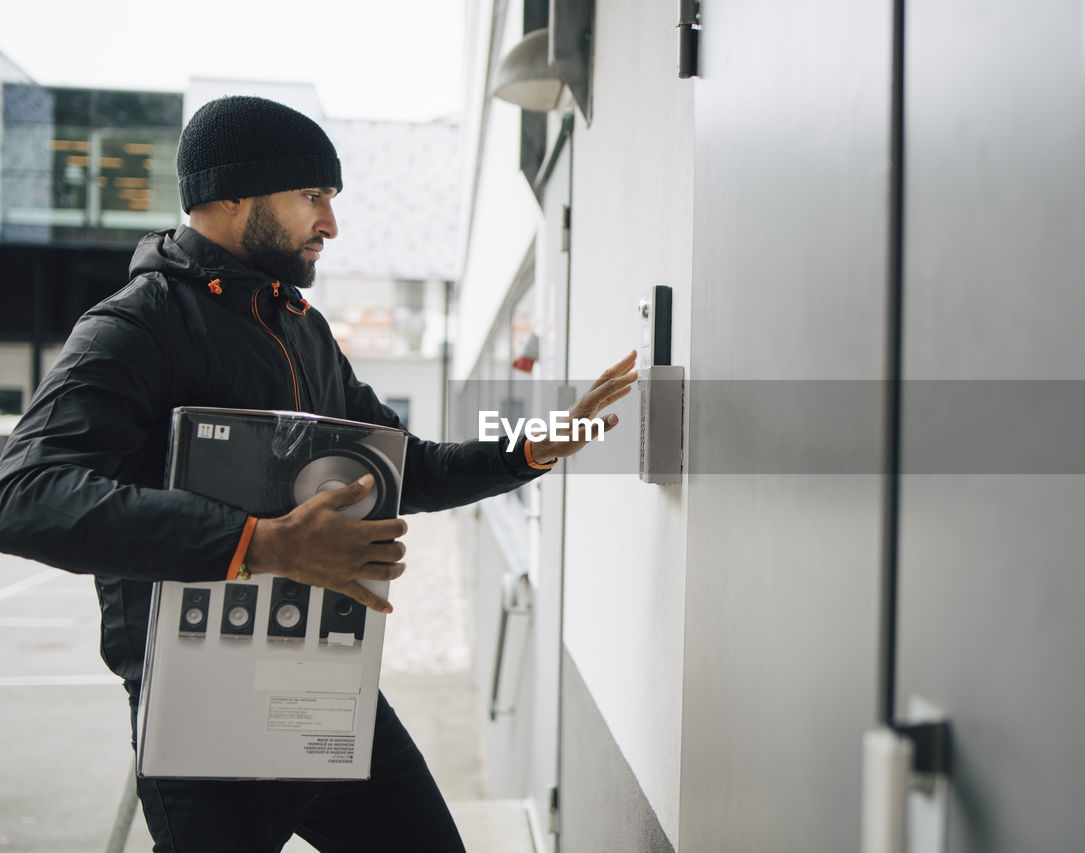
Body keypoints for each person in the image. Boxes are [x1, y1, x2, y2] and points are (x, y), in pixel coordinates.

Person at [0, 95, 636, 852]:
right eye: (313, 197)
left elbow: (404, 466)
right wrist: (260, 544)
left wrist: (533, 448)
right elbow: (23, 493)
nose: (330, 225)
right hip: (202, 713)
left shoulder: (302, 328)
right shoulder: (138, 323)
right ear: (230, 192)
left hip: (325, 682)